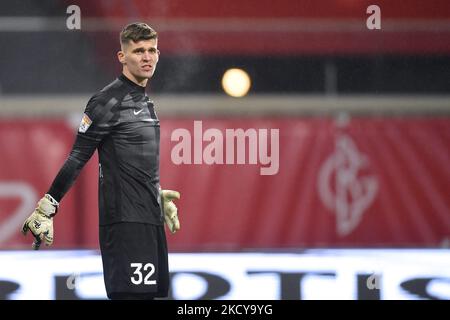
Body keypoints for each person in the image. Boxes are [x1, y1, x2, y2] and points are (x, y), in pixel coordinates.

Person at [21, 22, 181, 300]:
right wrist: (47, 208)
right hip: (125, 222)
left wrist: (155, 195)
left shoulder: (144, 102)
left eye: (152, 50)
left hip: (148, 218)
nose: (147, 57)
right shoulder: (107, 102)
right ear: (122, 57)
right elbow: (77, 156)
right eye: (139, 50)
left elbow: (130, 159)